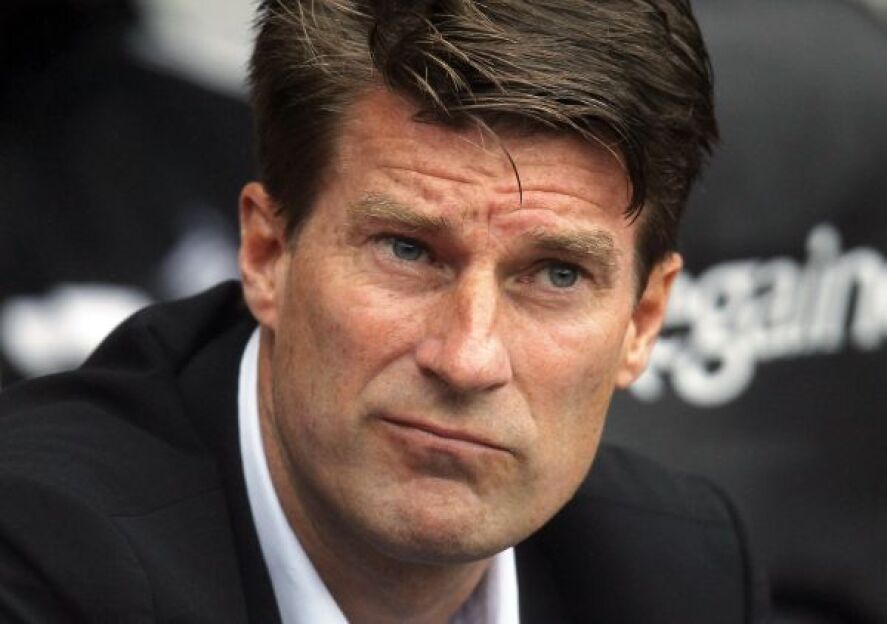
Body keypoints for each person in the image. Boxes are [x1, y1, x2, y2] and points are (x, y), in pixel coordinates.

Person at [0, 1, 767, 622]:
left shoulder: (676, 571)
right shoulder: (39, 555)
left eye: (556, 275)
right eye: (407, 250)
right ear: (266, 255)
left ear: (642, 321)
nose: (467, 358)